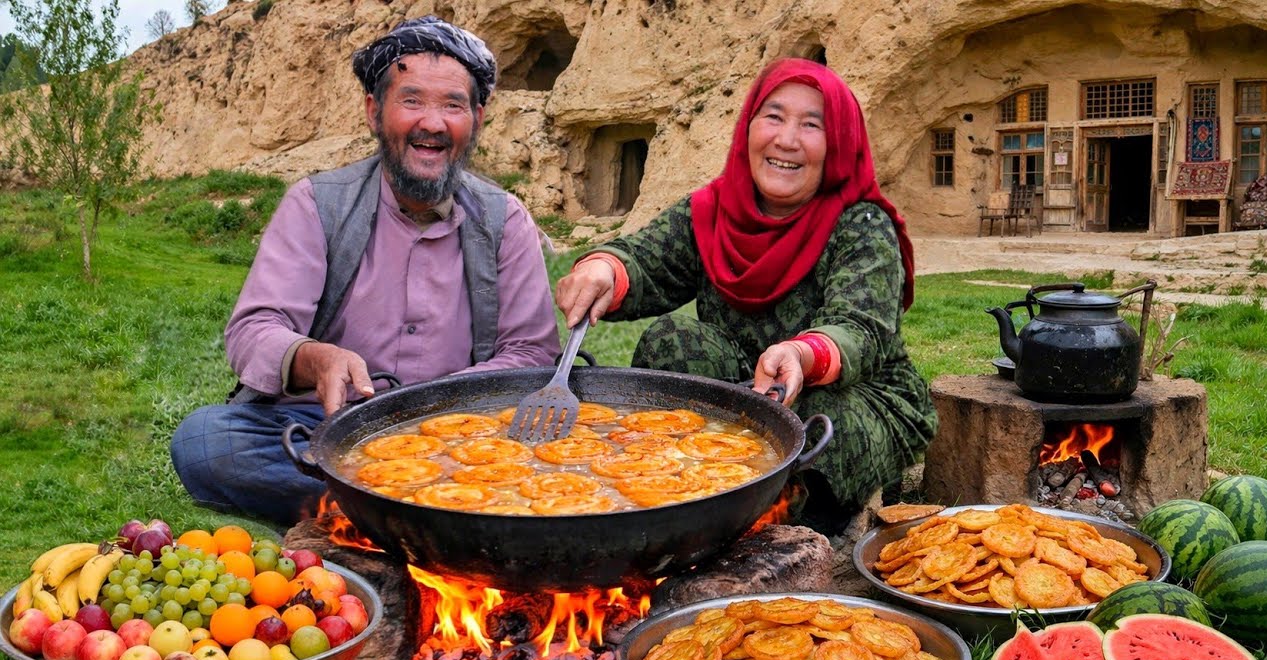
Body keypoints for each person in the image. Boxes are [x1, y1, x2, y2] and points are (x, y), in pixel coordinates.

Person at [170, 17, 560, 525]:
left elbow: (531, 352)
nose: (433, 123)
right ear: (375, 112)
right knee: (206, 441)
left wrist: (438, 405)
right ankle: (429, 510)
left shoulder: (504, 219)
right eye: (412, 100)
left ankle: (366, 509)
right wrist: (315, 358)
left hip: (465, 432)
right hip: (334, 425)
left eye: (453, 105)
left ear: (477, 118)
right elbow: (254, 330)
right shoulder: (317, 204)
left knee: (563, 440)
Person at [555, 58, 937, 534]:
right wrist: (602, 269)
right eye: (773, 117)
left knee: (811, 422)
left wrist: (802, 352)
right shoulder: (712, 210)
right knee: (672, 339)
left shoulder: (860, 223)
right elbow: (645, 259)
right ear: (749, 128)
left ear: (837, 144)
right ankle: (688, 490)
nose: (786, 140)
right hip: (744, 383)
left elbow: (862, 328)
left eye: (811, 125)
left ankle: (799, 520)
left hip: (850, 392)